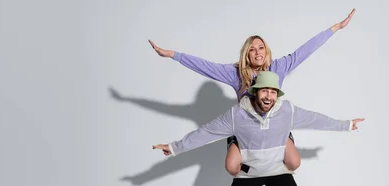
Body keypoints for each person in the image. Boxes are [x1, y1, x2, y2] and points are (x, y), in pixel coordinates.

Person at [148, 8, 357, 175]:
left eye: (260, 47)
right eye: (252, 49)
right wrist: (174, 55)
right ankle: (251, 172)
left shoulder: (279, 67)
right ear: (246, 54)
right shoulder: (236, 73)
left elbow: (305, 51)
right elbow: (205, 66)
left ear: (266, 50)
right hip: (246, 132)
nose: (257, 52)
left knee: (293, 162)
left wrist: (335, 28)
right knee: (232, 167)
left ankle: (273, 161)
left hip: (273, 128)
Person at [152, 71, 365, 186]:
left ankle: (284, 138)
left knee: (294, 162)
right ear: (255, 92)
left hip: (277, 170)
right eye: (264, 92)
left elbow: (314, 119)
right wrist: (174, 147)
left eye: (273, 92)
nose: (268, 97)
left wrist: (345, 125)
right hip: (248, 175)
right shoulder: (237, 114)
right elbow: (206, 132)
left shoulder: (286, 111)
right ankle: (235, 141)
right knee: (231, 165)